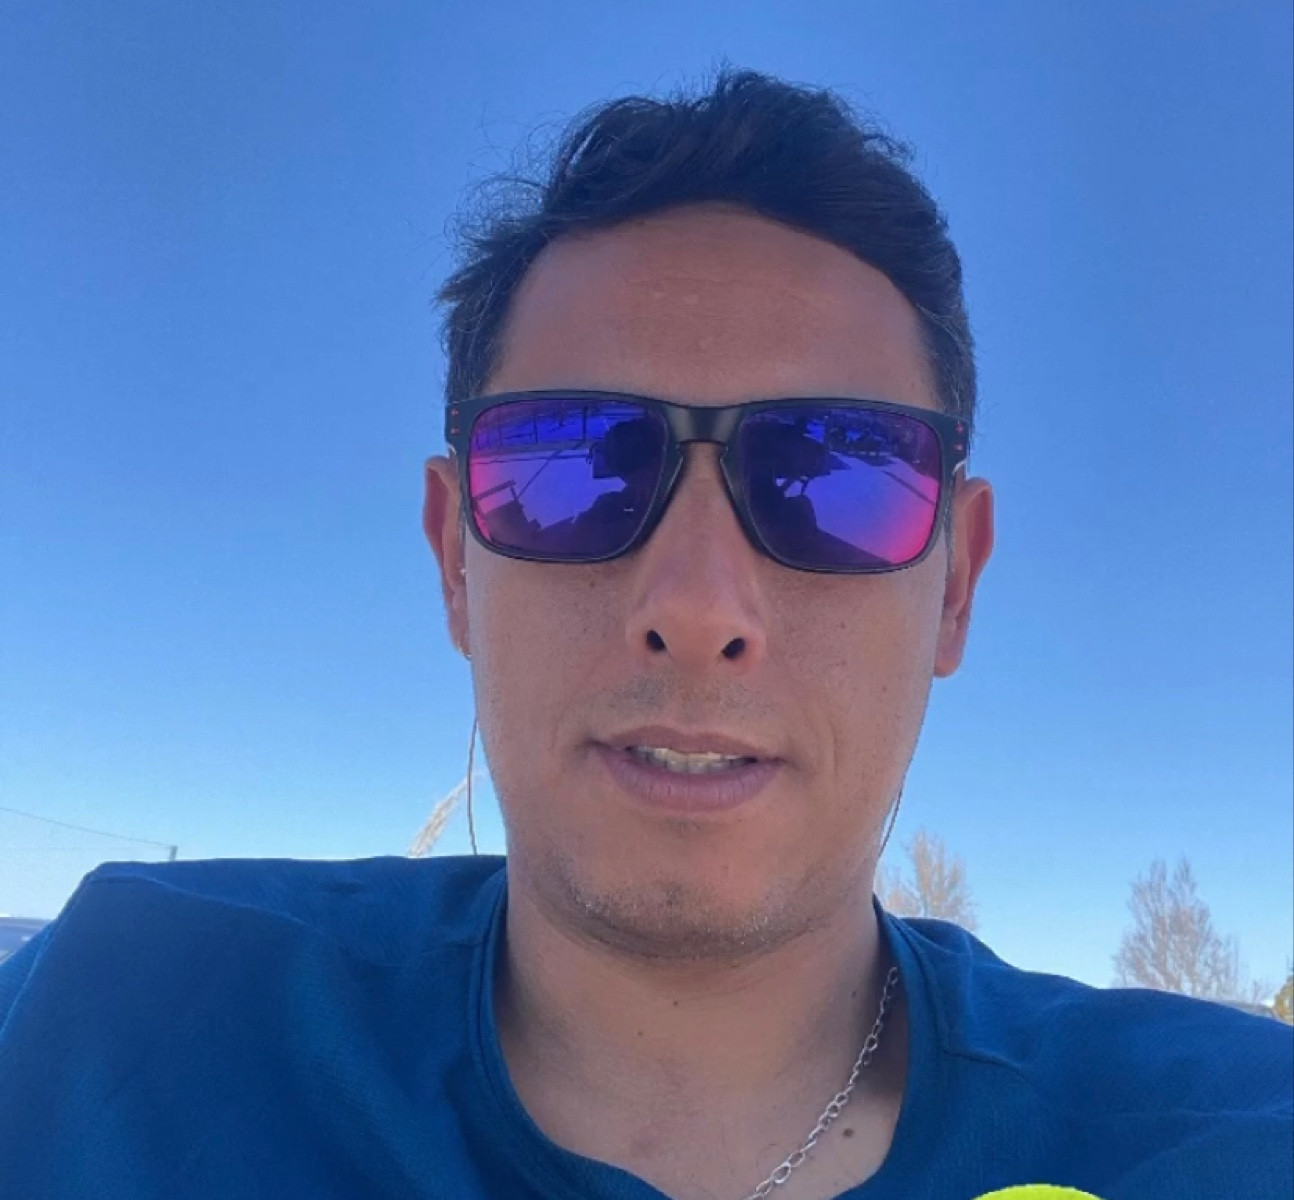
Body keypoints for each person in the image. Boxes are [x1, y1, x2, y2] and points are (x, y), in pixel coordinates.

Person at [0, 69, 1289, 1200]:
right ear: (454, 559)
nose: (698, 608)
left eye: (839, 477)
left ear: (956, 586)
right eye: (574, 468)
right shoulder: (105, 1027)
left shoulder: (1234, 1140)